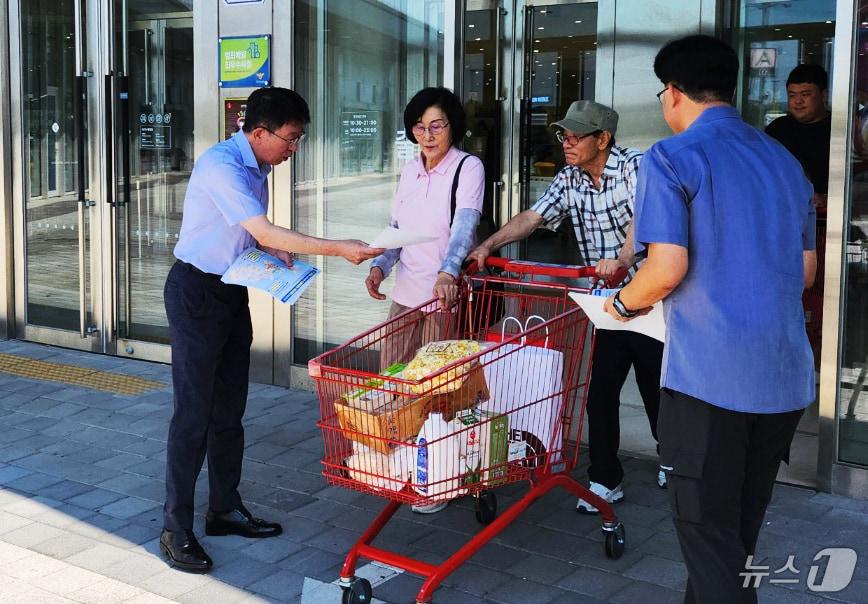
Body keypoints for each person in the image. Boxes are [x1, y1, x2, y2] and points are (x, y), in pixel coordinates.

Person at [605, 35, 816, 603]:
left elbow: (665, 268)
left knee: (709, 538)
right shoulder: (784, 161)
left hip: (710, 383)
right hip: (783, 378)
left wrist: (622, 304)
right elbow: (805, 274)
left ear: (672, 93)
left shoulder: (673, 157)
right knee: (734, 538)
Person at [161, 87, 383, 574]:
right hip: (195, 292)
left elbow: (249, 234)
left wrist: (270, 254)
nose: (294, 148)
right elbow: (263, 229)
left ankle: (223, 508)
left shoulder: (256, 165)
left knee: (229, 410)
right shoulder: (221, 165)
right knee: (193, 415)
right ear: (258, 132)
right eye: (291, 138)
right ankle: (176, 527)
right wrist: (339, 247)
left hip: (230, 289)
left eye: (298, 139)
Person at [467, 99, 666, 515]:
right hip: (608, 303)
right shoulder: (571, 178)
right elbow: (534, 217)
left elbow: (647, 217)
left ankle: (672, 458)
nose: (567, 143)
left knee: (656, 387)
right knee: (600, 392)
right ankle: (605, 479)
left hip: (652, 296)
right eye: (564, 135)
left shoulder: (636, 166)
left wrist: (625, 258)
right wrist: (488, 244)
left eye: (576, 136)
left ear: (603, 139)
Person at [365, 87, 484, 514]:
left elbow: (464, 228)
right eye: (420, 126)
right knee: (394, 378)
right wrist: (380, 265)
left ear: (453, 126)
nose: (428, 135)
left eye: (437, 126)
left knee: (436, 389)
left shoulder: (467, 167)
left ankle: (440, 475)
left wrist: (448, 273)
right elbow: (397, 227)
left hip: (442, 296)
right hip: (405, 294)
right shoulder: (409, 170)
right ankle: (401, 462)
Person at [766, 64, 831, 365]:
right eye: (792, 95)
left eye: (806, 94)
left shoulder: (839, 129)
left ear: (824, 95)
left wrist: (830, 198)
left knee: (821, 298)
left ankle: (823, 359)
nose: (798, 101)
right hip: (780, 227)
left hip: (827, 228)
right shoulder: (776, 131)